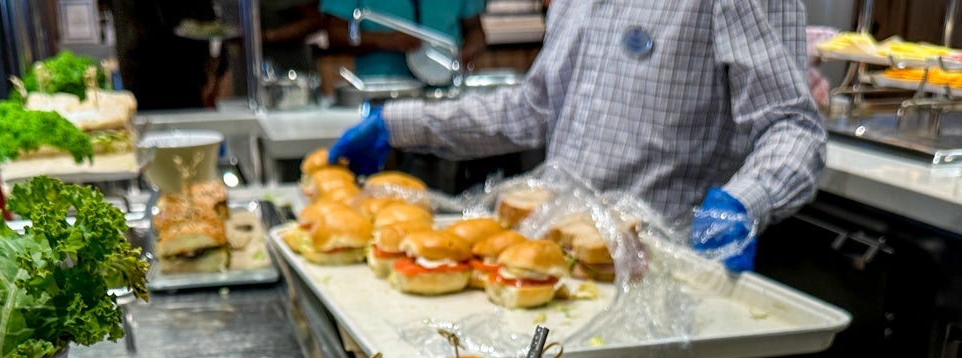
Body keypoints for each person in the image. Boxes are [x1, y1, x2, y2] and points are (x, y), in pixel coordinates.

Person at [329, 0, 824, 270]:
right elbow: (532, 109)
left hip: (658, 273)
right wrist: (399, 124)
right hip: (553, 268)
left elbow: (792, 124)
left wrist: (745, 201)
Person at [322, 0, 486, 80]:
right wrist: (386, 40)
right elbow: (335, 34)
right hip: (382, 87)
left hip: (445, 83)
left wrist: (468, 52)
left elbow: (474, 29)